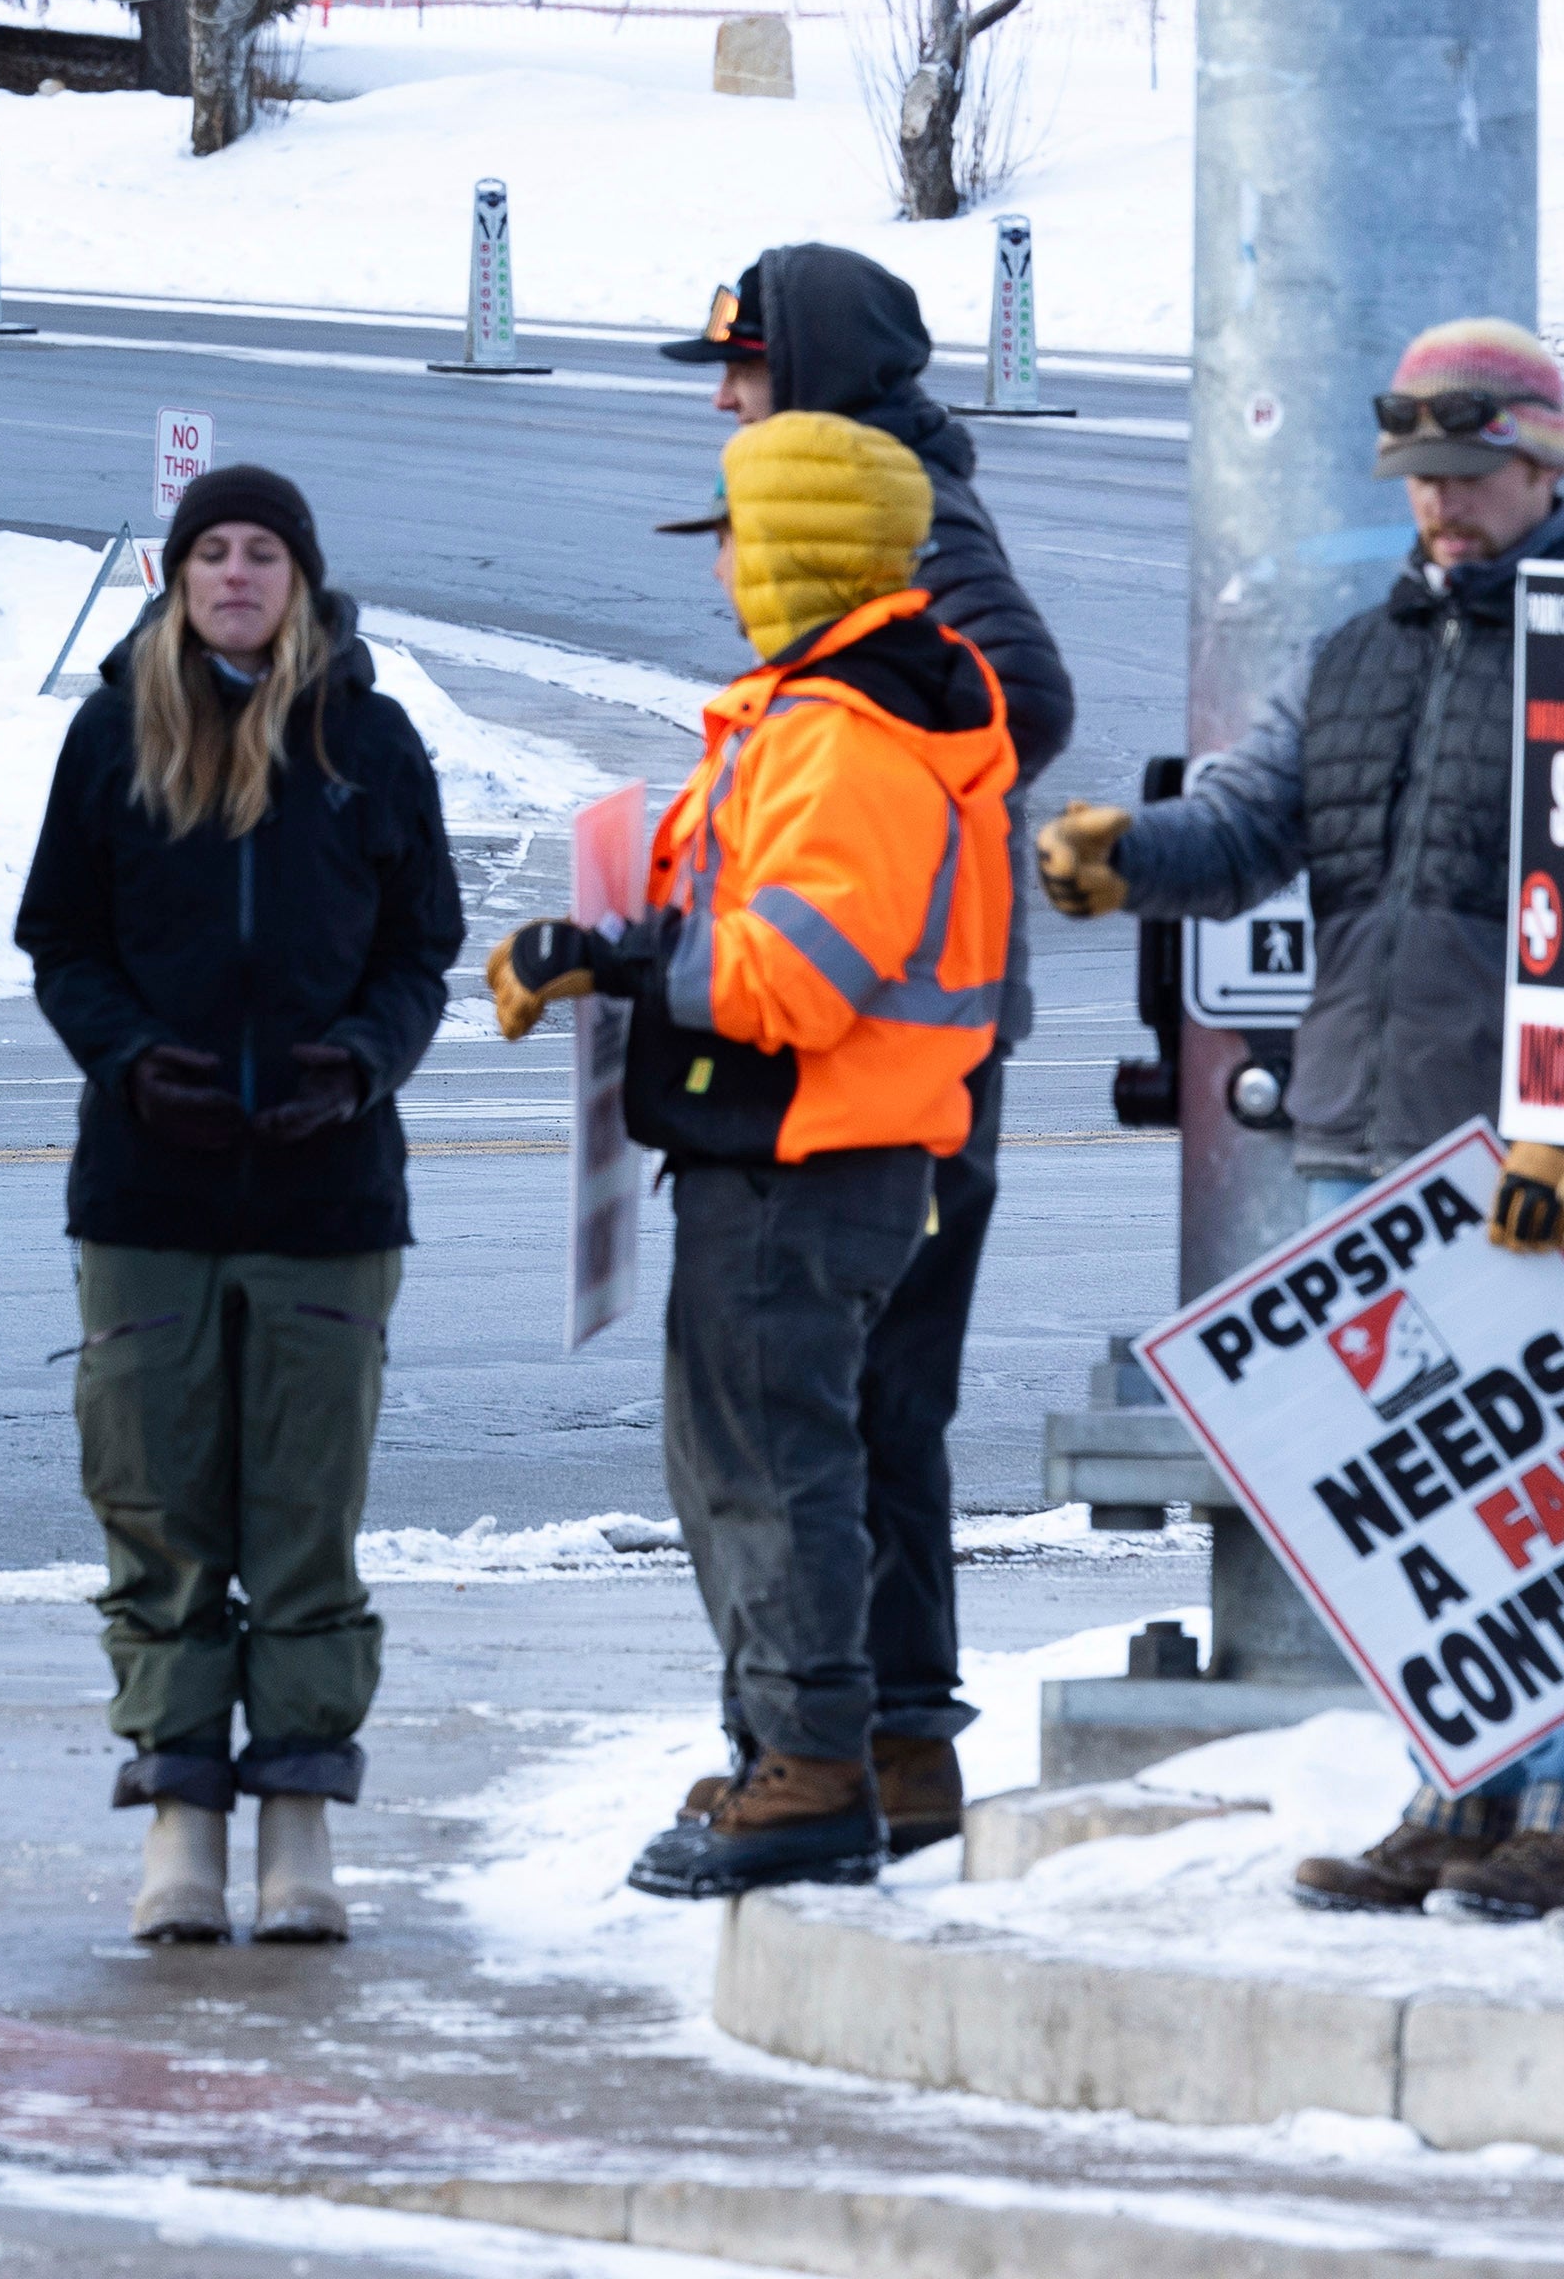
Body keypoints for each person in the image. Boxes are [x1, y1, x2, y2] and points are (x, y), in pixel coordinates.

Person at [1030, 319, 1564, 1920]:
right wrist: (1141, 854)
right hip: (1363, 1125)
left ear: (1544, 464)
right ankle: (1454, 1804)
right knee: (1428, 1503)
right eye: (1420, 477)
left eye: (1470, 475)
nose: (1440, 506)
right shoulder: (1357, 655)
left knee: (1537, 1490)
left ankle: (1549, 1807)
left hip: (1523, 1149)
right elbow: (1258, 823)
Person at [491, 411, 1016, 1896]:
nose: (718, 567)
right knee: (766, 1456)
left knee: (767, 1469)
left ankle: (808, 1770)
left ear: (791, 547)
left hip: (803, 1154)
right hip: (815, 1149)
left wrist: (626, 969)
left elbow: (797, 975)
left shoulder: (843, 734)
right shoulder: (837, 709)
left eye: (729, 536)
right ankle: (811, 1750)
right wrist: (608, 947)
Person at [13, 466, 463, 1944]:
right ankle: (181, 1827)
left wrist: (364, 1060)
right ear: (178, 571)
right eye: (213, 552)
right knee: (158, 1510)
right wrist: (135, 1065)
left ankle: (299, 1827)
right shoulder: (112, 735)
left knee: (303, 1518)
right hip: (147, 1190)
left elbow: (422, 953)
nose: (237, 576)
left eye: (264, 552)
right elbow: (61, 941)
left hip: (329, 1195)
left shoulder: (370, 743)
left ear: (302, 575)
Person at [663, 248, 1075, 1858]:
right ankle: (879, 1743)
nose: (722, 398)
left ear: (813, 371)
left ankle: (854, 1747)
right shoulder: (875, 510)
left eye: (746, 366)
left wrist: (880, 810)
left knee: (836, 1411)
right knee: (858, 1407)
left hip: (892, 1058)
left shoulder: (903, 517)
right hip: (906, 1038)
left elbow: (1013, 696)